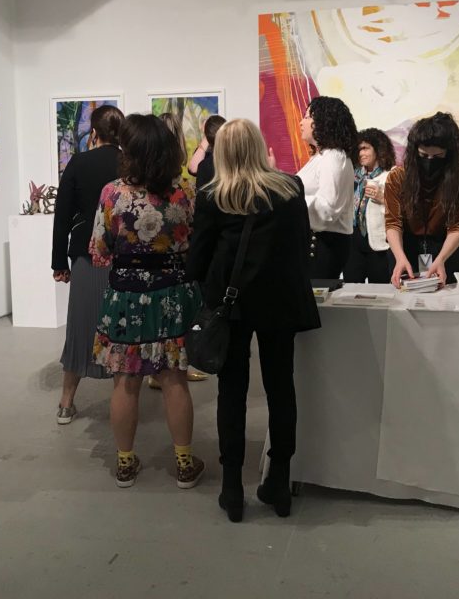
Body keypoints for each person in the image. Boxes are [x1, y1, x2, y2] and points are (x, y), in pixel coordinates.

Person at [188, 119, 320, 522]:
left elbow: (198, 258)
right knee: (282, 387)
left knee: (233, 391)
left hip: (233, 305)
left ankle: (232, 488)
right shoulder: (290, 188)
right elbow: (301, 245)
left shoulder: (215, 196)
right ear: (260, 147)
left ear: (223, 152)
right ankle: (279, 480)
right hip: (280, 301)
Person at [89, 114, 205, 489]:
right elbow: (195, 246)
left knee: (125, 379)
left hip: (125, 297)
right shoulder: (185, 192)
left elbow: (100, 250)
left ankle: (125, 463)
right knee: (174, 378)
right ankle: (185, 463)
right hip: (171, 294)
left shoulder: (112, 194)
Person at [51, 104, 125, 425]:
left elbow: (62, 215)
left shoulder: (78, 163)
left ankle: (66, 402)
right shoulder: (129, 162)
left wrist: (58, 262)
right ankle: (124, 402)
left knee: (81, 327)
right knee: (122, 328)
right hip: (124, 256)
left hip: (86, 254)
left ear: (94, 133)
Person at [384, 112, 459, 288]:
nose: (429, 162)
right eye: (423, 156)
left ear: (449, 155)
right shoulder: (398, 177)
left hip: (450, 250)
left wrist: (441, 258)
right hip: (406, 249)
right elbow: (393, 223)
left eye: (438, 157)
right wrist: (399, 257)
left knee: (451, 304)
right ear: (414, 152)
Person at [152, 112, 208, 386]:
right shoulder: (183, 190)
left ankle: (161, 371)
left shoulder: (128, 190)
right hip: (175, 270)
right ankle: (172, 370)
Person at [290, 96, 358, 281]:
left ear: (323, 121)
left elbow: (327, 209)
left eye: (307, 117)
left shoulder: (334, 157)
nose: (301, 122)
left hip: (323, 245)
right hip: (317, 242)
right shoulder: (323, 156)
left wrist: (290, 200)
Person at [343, 128, 396, 284]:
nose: (361, 154)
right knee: (350, 290)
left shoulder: (391, 175)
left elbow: (402, 212)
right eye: (358, 149)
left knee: (381, 293)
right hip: (353, 242)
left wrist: (382, 198)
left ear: (378, 149)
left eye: (365, 148)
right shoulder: (353, 175)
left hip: (379, 244)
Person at [188, 114, 226, 195]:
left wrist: (207, 135)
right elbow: (192, 170)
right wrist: (207, 136)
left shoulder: (229, 152)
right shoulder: (206, 151)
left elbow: (193, 169)